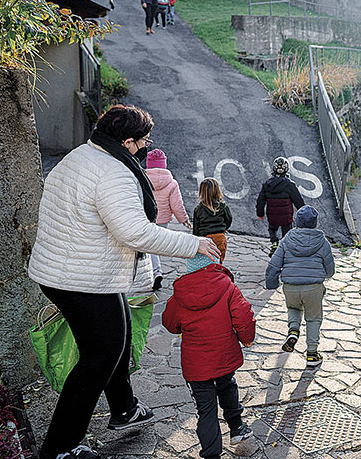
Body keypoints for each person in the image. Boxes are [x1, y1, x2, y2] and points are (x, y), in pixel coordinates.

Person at [28, 105, 221, 459]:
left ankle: (125, 408)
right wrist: (193, 243)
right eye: (144, 141)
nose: (147, 146)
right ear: (128, 142)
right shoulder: (112, 173)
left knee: (117, 338)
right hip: (79, 278)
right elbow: (134, 232)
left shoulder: (83, 154)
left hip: (68, 269)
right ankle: (59, 447)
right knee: (99, 357)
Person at [162, 253, 255, 459]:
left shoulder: (180, 293)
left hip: (196, 365)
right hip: (224, 356)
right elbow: (244, 315)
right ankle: (237, 428)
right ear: (213, 264)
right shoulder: (228, 286)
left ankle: (212, 454)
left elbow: (170, 323)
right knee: (228, 385)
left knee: (206, 410)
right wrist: (247, 338)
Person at [264, 206, 334, 366]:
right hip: (313, 287)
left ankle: (293, 330)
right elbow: (330, 270)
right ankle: (312, 354)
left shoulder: (287, 240)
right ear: (315, 223)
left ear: (296, 221)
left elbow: (274, 264)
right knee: (313, 318)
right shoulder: (322, 242)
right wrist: (325, 275)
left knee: (293, 308)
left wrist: (272, 283)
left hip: (291, 286)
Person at [145, 148, 191, 290]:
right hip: (163, 220)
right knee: (155, 246)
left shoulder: (142, 179)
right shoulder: (172, 183)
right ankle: (156, 270)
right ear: (164, 164)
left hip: (147, 217)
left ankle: (155, 271)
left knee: (149, 246)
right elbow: (177, 205)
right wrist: (184, 219)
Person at [256, 157, 305, 255]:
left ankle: (274, 242)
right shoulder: (290, 185)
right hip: (286, 217)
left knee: (272, 229)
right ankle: (284, 249)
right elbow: (298, 200)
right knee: (287, 232)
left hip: (272, 215)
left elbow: (260, 200)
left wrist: (260, 213)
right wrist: (303, 212)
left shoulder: (267, 184)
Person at [193, 178, 233, 263]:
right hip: (220, 238)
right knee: (219, 262)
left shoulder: (199, 209)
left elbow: (196, 228)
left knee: (207, 263)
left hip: (206, 240)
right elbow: (229, 219)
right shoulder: (223, 206)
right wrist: (224, 228)